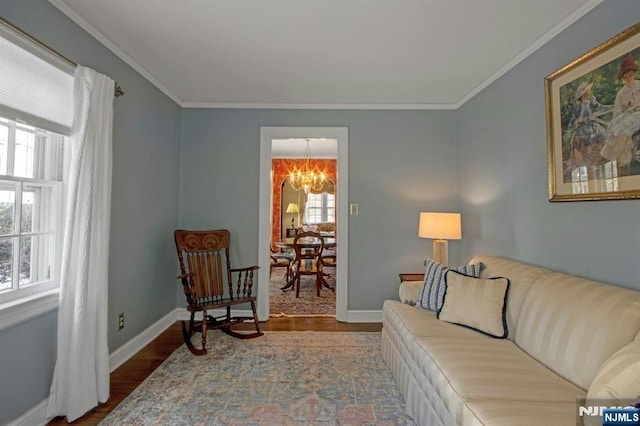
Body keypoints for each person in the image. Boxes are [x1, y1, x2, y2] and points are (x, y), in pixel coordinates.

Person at [600, 54, 640, 167]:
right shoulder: (621, 93)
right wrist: (626, 110)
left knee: (627, 127)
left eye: (630, 76)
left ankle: (627, 158)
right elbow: (617, 111)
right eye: (625, 77)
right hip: (628, 115)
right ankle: (621, 158)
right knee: (617, 127)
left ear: (634, 74)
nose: (628, 79)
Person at [565, 81, 610, 168]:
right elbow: (571, 123)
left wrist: (612, 106)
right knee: (582, 142)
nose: (588, 93)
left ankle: (600, 160)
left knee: (601, 137)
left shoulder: (591, 102)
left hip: (593, 127)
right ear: (583, 94)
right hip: (582, 130)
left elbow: (601, 107)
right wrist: (577, 121)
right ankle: (588, 163)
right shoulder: (577, 107)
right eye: (587, 91)